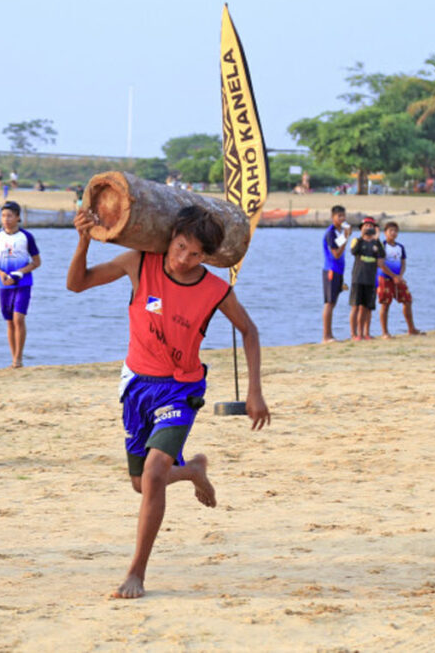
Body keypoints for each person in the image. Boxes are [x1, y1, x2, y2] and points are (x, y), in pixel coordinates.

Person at [66, 204, 270, 599]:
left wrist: (254, 390)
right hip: (137, 386)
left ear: (206, 256)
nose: (182, 259)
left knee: (156, 473)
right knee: (141, 484)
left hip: (181, 389)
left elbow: (249, 331)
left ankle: (136, 573)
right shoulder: (139, 263)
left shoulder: (215, 290)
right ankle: (192, 470)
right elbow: (77, 284)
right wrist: (82, 241)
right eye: (179, 247)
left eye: (194, 254)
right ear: (170, 239)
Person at [0, 201, 41, 368]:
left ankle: (18, 358)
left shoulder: (26, 237)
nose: (6, 219)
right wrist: (1, 273)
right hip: (4, 284)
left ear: (18, 217)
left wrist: (21, 272)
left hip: (23, 283)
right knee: (9, 321)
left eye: (10, 216)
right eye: (3, 216)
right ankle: (13, 358)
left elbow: (37, 262)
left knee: (19, 318)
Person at [377, 222, 423, 338]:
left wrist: (400, 276)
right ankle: (385, 332)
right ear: (385, 232)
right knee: (385, 304)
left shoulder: (400, 247)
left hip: (398, 279)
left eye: (395, 231)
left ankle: (411, 329)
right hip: (385, 278)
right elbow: (381, 264)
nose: (393, 233)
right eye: (390, 231)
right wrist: (393, 276)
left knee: (407, 300)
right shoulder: (382, 246)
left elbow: (403, 263)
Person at [349, 217, 388, 341]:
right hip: (358, 278)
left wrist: (376, 238)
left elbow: (382, 255)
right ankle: (354, 334)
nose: (368, 228)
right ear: (361, 228)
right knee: (356, 306)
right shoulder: (357, 240)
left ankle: (366, 333)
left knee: (368, 307)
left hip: (371, 279)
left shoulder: (377, 243)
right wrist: (362, 237)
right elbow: (354, 251)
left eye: (371, 226)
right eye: (366, 226)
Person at [321, 205, 350, 343]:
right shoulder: (331, 233)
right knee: (329, 302)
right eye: (339, 216)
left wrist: (344, 236)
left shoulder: (339, 232)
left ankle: (330, 334)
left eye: (343, 216)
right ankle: (326, 336)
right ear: (333, 217)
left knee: (333, 303)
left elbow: (340, 247)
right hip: (331, 270)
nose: (342, 218)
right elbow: (336, 254)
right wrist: (346, 238)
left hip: (339, 271)